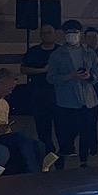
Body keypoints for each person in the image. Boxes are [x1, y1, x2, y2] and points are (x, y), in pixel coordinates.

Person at [0, 68, 55, 174]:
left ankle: (38, 169)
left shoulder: (4, 104)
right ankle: (34, 173)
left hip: (1, 136)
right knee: (20, 140)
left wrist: (4, 129)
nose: (10, 92)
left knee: (37, 145)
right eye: (9, 88)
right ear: (0, 83)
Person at [47, 19, 98, 168]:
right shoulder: (57, 55)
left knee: (87, 132)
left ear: (80, 34)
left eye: (75, 32)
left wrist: (89, 76)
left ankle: (84, 160)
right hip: (67, 100)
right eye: (69, 33)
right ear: (64, 35)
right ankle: (63, 159)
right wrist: (70, 76)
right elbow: (51, 78)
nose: (72, 35)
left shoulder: (89, 52)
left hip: (88, 100)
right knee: (67, 133)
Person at [20, 23, 60, 154]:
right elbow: (24, 69)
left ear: (55, 34)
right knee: (42, 126)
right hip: (39, 93)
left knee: (61, 125)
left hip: (59, 93)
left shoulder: (61, 51)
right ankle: (47, 150)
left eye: (49, 32)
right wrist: (43, 70)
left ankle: (63, 150)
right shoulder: (33, 51)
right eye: (44, 33)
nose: (46, 35)